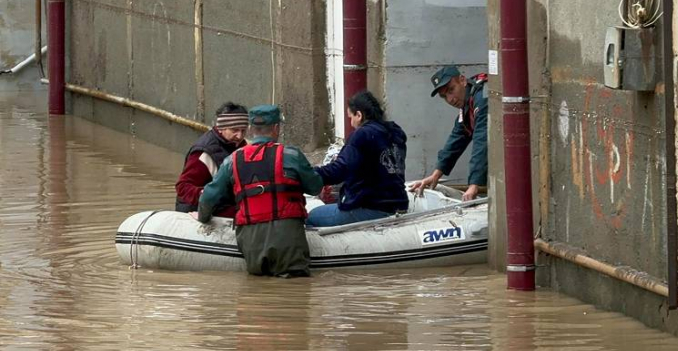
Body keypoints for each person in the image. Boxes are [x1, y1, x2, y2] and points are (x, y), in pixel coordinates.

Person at [196, 105, 324, 277]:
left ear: (250, 129)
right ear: (276, 128)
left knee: (257, 292)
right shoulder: (292, 155)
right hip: (287, 238)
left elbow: (208, 198)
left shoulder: (231, 160)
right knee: (295, 290)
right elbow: (315, 187)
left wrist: (202, 218)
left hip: (251, 241)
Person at [306, 90, 408, 227]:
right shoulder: (396, 134)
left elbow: (340, 170)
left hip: (371, 209)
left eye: (351, 117)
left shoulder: (362, 134)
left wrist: (309, 174)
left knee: (310, 216)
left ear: (359, 115)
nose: (351, 123)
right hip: (399, 205)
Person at [410, 66, 488, 201]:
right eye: (444, 96)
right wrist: (435, 175)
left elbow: (482, 141)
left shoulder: (482, 98)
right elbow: (456, 138)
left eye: (451, 90)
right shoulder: (468, 103)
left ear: (462, 81)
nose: (450, 99)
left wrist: (474, 185)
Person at [175, 102, 249, 216]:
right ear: (221, 128)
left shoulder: (240, 146)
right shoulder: (203, 152)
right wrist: (208, 195)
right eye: (234, 130)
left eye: (243, 131)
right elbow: (183, 187)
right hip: (200, 210)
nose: (239, 136)